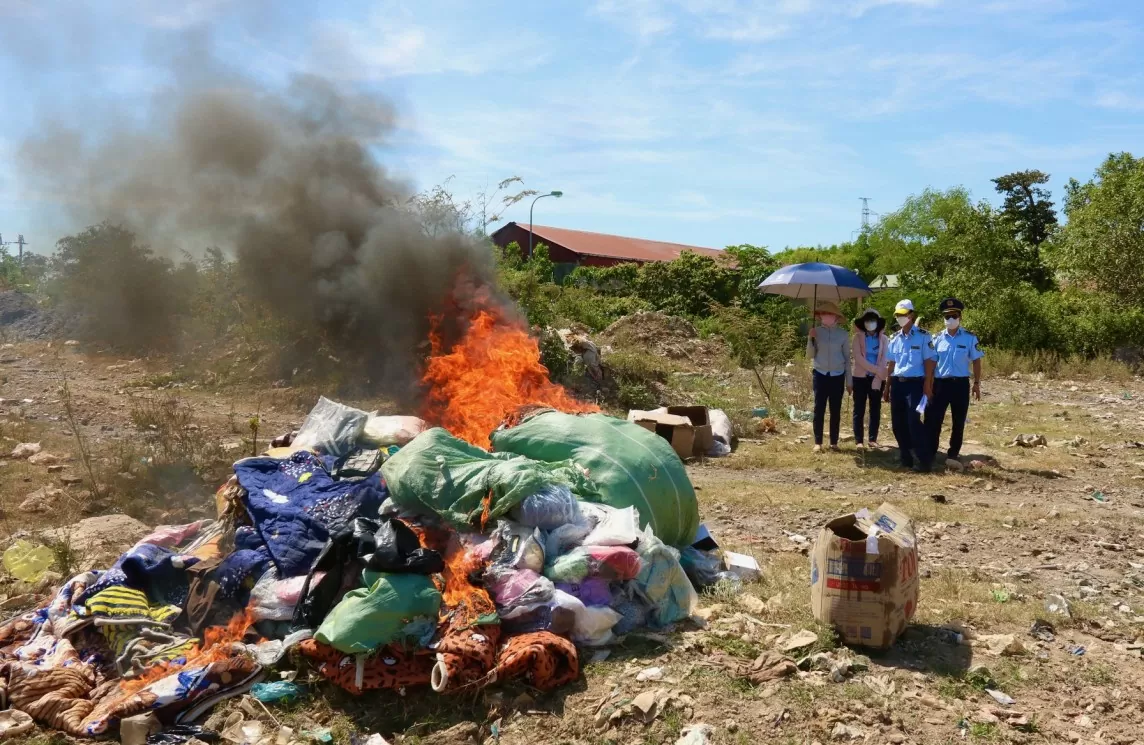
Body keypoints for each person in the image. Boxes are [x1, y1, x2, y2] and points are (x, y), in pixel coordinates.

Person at [926, 297, 984, 465]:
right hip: (940, 384)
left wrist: (977, 383)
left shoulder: (969, 338)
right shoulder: (936, 339)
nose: (950, 319)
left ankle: (953, 454)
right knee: (933, 419)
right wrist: (928, 385)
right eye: (947, 316)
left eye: (954, 315)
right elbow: (931, 363)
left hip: (960, 384)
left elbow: (977, 360)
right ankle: (930, 452)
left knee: (958, 421)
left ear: (960, 317)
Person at [882, 299, 936, 472]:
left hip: (915, 384)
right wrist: (887, 386)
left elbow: (930, 361)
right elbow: (891, 364)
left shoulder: (923, 336)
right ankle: (906, 458)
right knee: (898, 423)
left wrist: (928, 385)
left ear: (911, 315)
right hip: (898, 383)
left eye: (903, 315)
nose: (900, 318)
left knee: (913, 421)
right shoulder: (895, 338)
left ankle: (924, 460)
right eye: (897, 315)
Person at [806, 300, 851, 453]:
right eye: (824, 313)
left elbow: (847, 359)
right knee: (819, 408)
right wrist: (810, 339)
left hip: (837, 375)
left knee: (835, 409)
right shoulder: (816, 331)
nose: (827, 316)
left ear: (836, 317)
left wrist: (849, 381)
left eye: (830, 314)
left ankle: (833, 442)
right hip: (820, 374)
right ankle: (818, 441)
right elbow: (810, 355)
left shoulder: (843, 334)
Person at [849, 308, 888, 451]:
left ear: (878, 323)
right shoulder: (857, 338)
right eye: (867, 320)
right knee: (859, 409)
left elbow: (884, 359)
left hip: (877, 379)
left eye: (873, 320)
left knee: (875, 408)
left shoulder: (884, 339)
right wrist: (877, 370)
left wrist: (878, 376)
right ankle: (859, 440)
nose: (870, 323)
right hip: (860, 378)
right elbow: (859, 359)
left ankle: (873, 439)